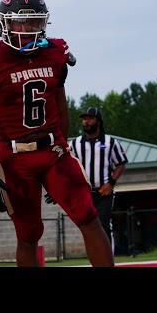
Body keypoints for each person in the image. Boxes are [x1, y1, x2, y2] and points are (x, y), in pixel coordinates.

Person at [0, 0, 113, 267]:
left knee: (88, 215)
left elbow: (61, 105)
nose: (28, 28)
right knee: (28, 233)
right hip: (15, 157)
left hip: (53, 150)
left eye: (35, 21)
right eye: (22, 21)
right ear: (4, 23)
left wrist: (63, 143)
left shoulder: (55, 53)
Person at [45, 107, 128, 250]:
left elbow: (121, 163)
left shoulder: (110, 142)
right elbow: (67, 168)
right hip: (84, 193)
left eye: (90, 118)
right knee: (89, 227)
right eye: (84, 119)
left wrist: (111, 183)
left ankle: (108, 260)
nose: (86, 122)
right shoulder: (75, 144)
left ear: (98, 121)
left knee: (103, 224)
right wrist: (58, 188)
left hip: (103, 192)